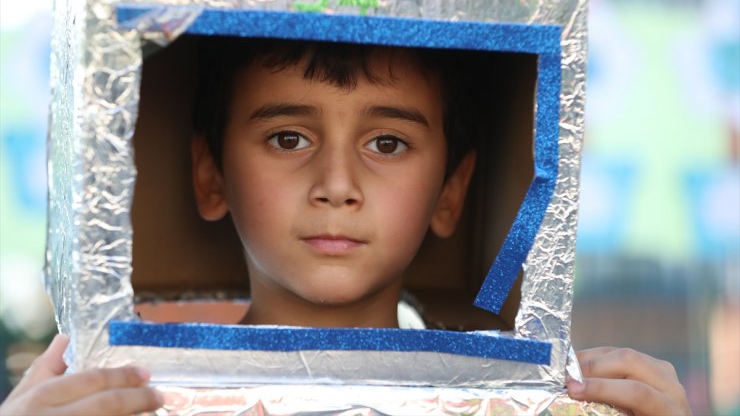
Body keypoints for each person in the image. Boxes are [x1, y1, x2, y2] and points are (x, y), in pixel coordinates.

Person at [0, 38, 691, 416]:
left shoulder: (533, 409)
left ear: (451, 191)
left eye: (386, 143)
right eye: (288, 138)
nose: (337, 184)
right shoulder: (116, 406)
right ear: (210, 174)